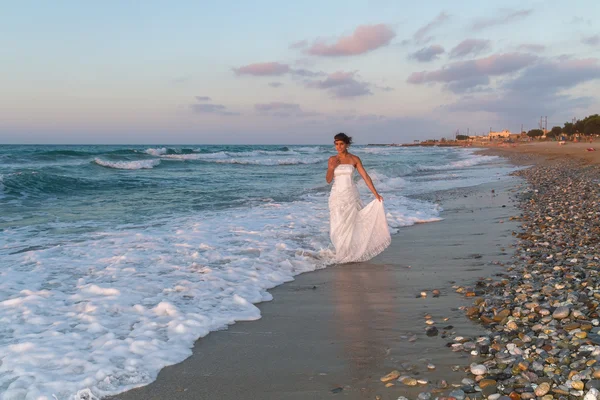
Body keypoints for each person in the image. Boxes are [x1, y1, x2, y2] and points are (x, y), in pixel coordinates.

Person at [326, 133, 391, 263]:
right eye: (336, 144)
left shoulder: (354, 159)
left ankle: (348, 252)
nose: (338, 147)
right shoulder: (332, 159)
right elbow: (328, 180)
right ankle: (342, 251)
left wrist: (376, 194)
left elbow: (365, 177)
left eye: (341, 144)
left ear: (347, 145)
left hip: (351, 194)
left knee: (350, 223)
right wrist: (332, 168)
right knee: (338, 224)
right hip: (336, 196)